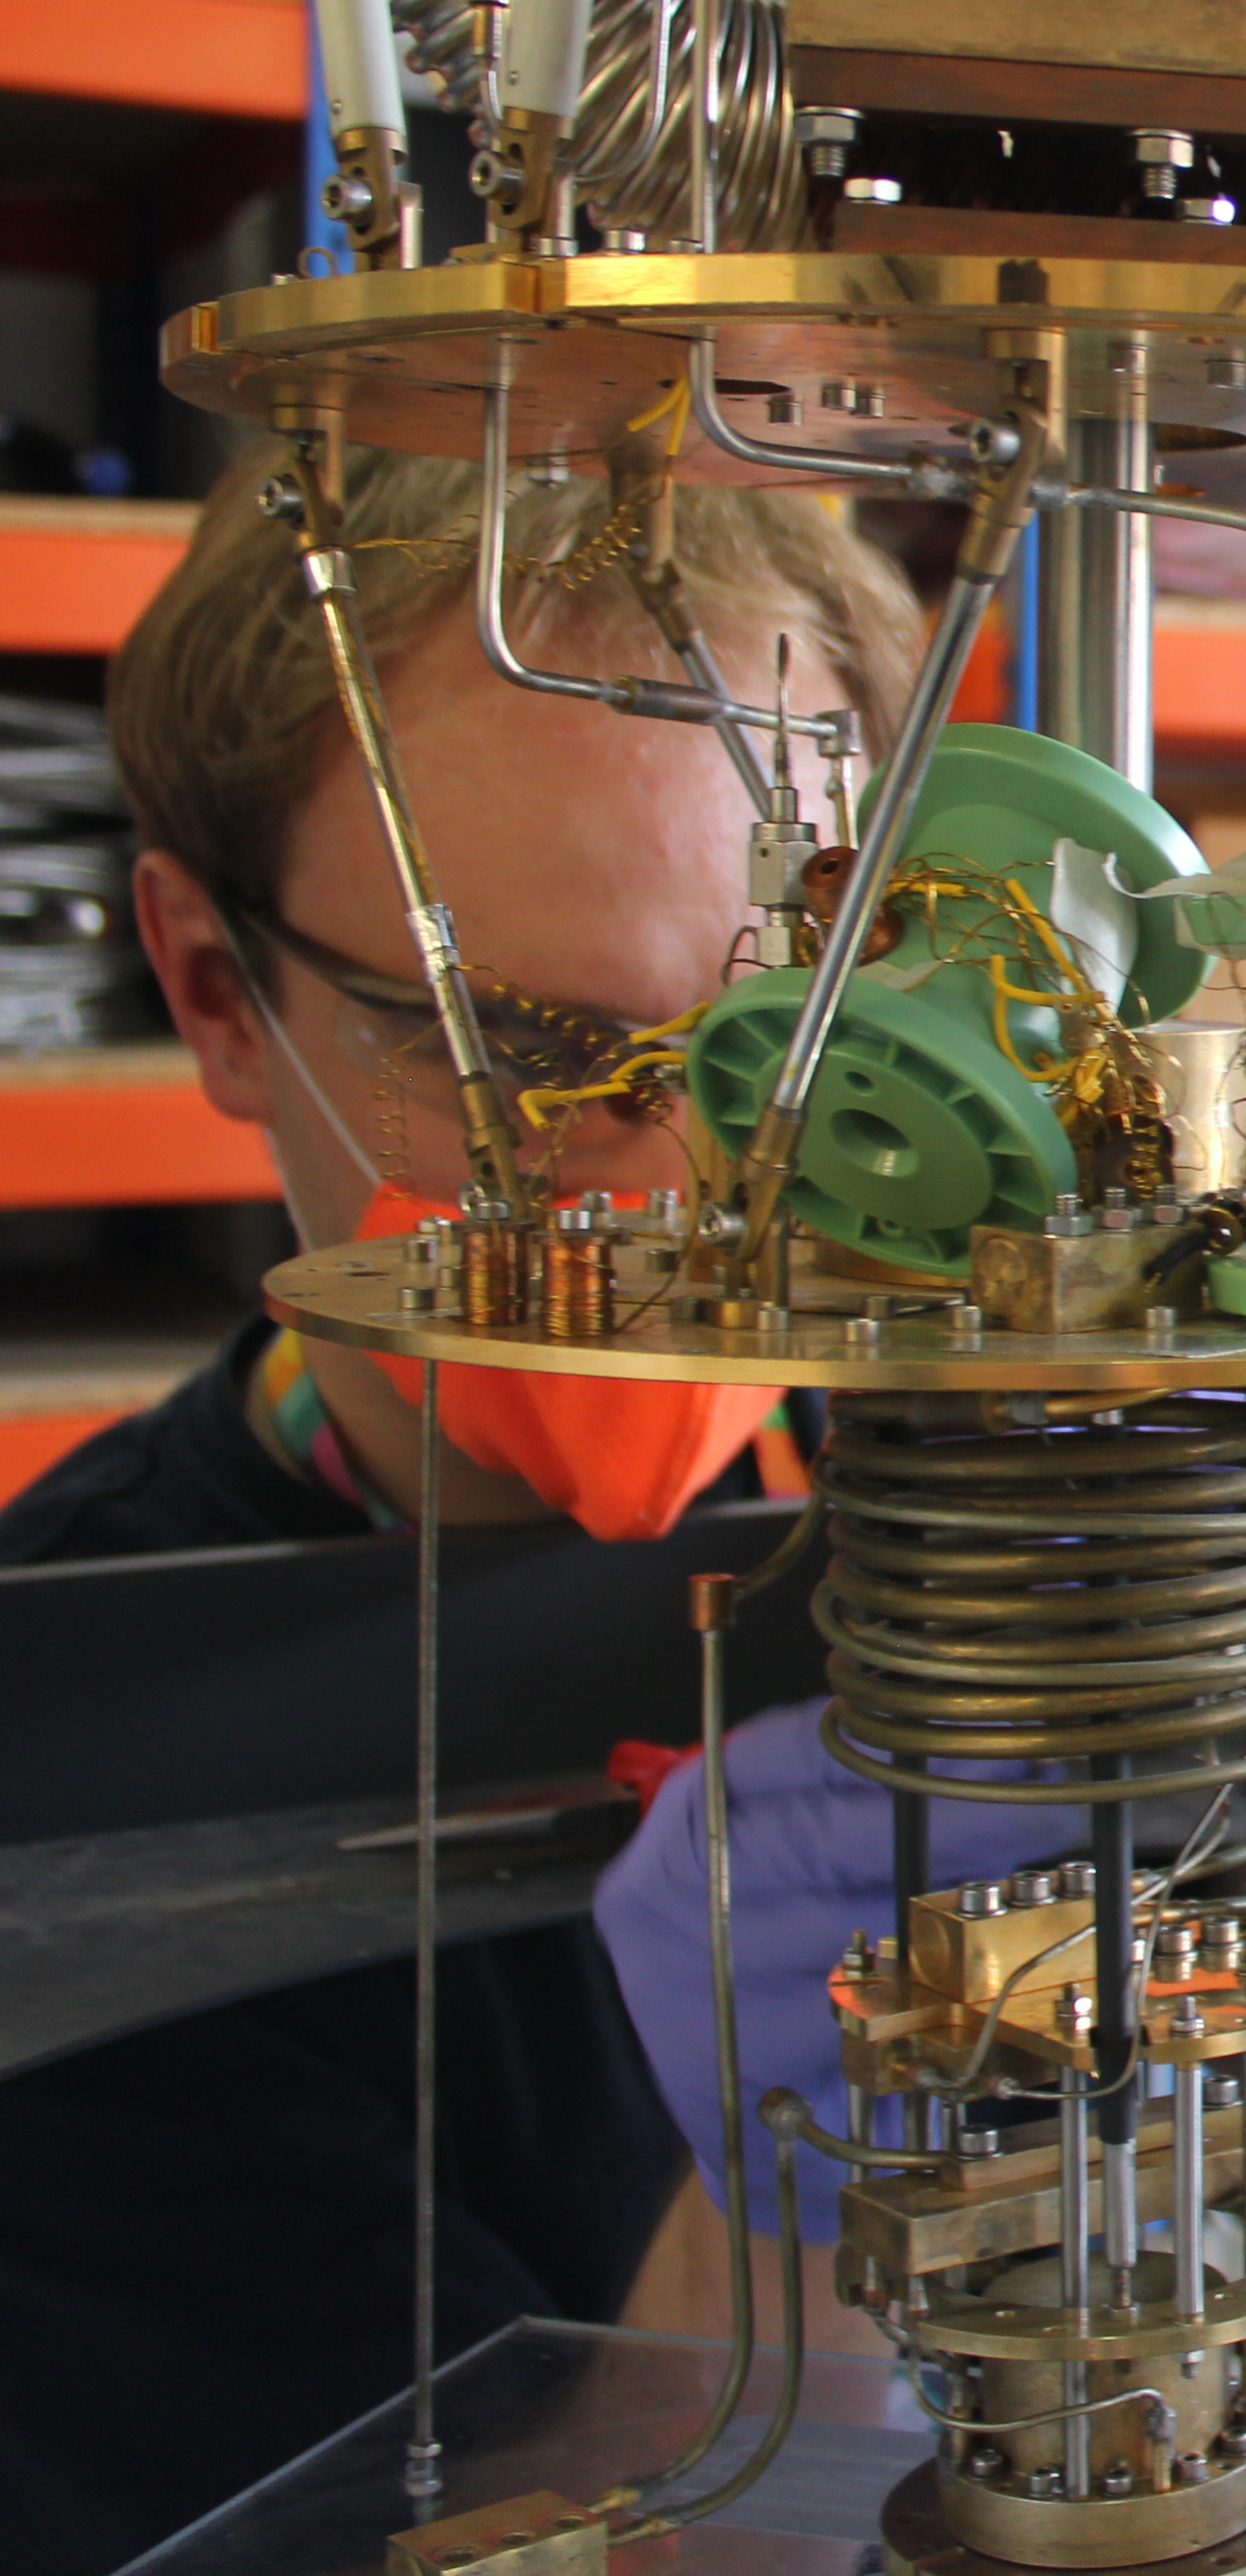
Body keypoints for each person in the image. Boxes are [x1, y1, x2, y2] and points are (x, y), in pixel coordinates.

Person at [0, 447, 916, 2568]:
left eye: (760, 1049)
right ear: (220, 992)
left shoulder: (931, 1484)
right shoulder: (69, 1794)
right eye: (511, 1054)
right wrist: (803, 2210)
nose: (651, 1201)